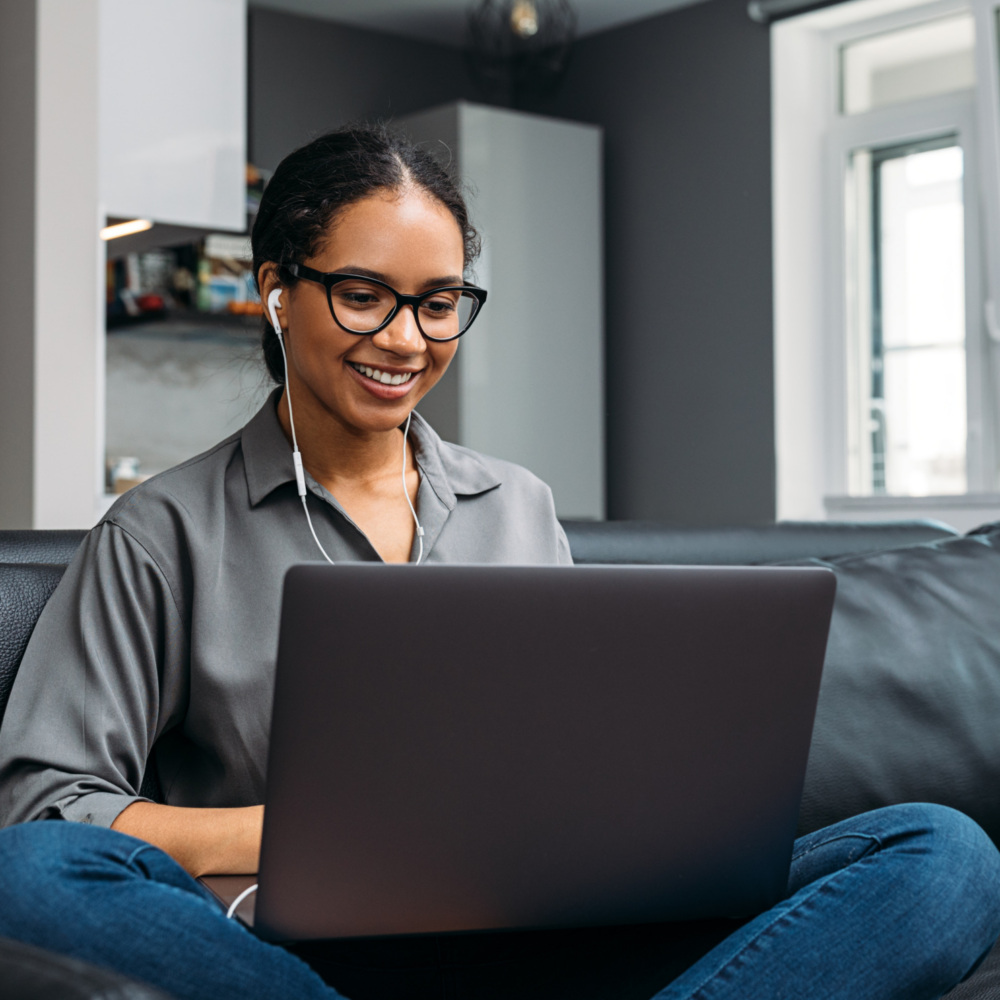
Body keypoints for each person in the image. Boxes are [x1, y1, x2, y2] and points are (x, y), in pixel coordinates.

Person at [0, 123, 997, 1000]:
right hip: (300, 961)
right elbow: (42, 805)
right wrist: (302, 833)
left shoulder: (516, 504)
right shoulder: (160, 531)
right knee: (33, 873)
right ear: (275, 291)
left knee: (943, 855)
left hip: (552, 935)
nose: (404, 338)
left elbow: (573, 754)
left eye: (439, 304)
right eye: (362, 296)